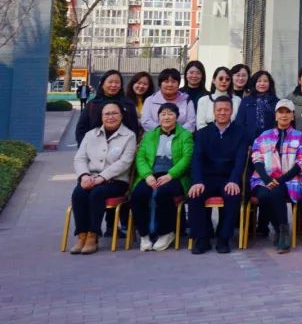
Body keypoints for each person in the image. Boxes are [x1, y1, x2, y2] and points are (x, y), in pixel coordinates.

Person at [69, 102, 136, 254]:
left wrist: (101, 178)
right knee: (78, 193)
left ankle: (93, 235)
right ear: (101, 116)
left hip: (116, 181)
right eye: (107, 114)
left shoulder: (129, 136)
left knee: (97, 193)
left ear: (122, 116)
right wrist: (84, 175)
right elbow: (80, 158)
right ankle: (82, 235)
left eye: (114, 113)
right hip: (90, 178)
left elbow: (125, 162)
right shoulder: (90, 135)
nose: (110, 117)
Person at [130, 102, 193, 251]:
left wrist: (171, 175)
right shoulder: (149, 135)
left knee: (164, 193)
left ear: (177, 117)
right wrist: (147, 175)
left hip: (175, 175)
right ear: (158, 117)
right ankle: (144, 234)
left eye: (170, 114)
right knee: (138, 193)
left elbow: (187, 158)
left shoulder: (185, 135)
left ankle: (166, 232)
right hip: (151, 173)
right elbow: (140, 157)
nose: (166, 117)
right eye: (163, 114)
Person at [188, 97, 246, 254]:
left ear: (231, 112)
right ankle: (202, 239)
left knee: (233, 195)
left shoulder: (240, 133)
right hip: (207, 178)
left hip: (228, 178)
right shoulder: (202, 133)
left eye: (226, 110)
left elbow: (240, 160)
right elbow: (197, 159)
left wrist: (234, 180)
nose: (222, 113)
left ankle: (223, 238)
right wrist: (197, 181)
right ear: (213, 112)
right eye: (219, 109)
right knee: (195, 195)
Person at [249, 99, 302, 253]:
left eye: (288, 112)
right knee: (263, 195)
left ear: (293, 116)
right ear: (275, 115)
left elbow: (301, 162)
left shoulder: (299, 136)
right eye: (281, 112)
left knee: (276, 192)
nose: (284, 115)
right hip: (264, 179)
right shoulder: (264, 135)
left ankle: (283, 232)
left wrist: (280, 180)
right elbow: (256, 157)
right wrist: (267, 179)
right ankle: (278, 228)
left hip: (290, 180)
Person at [76, 70, 140, 144]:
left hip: (123, 148)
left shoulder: (128, 104)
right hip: (95, 147)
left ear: (121, 85)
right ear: (102, 84)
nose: (113, 85)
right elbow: (81, 129)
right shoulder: (92, 105)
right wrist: (85, 147)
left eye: (117, 82)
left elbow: (134, 128)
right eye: (110, 82)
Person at [140, 69, 195, 133]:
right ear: (160, 84)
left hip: (181, 137)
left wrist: (175, 133)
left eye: (174, 82)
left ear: (178, 84)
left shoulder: (186, 100)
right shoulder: (150, 100)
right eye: (166, 81)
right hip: (155, 136)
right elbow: (146, 122)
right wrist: (164, 132)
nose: (170, 84)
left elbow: (191, 123)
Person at [235, 70, 279, 144]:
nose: (262, 84)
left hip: (270, 142)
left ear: (270, 84)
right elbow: (239, 123)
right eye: (259, 81)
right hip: (249, 143)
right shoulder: (246, 101)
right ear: (254, 83)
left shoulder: (276, 102)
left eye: (265, 81)